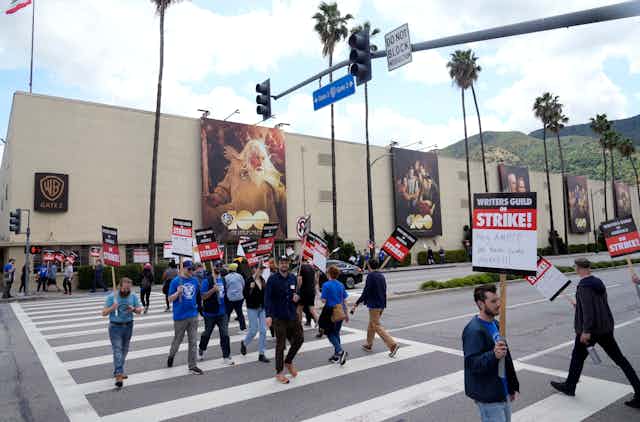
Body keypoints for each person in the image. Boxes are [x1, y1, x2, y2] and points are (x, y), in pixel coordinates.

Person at [550, 258, 640, 409]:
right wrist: (578, 306)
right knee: (620, 360)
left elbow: (589, 311)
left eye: (576, 267)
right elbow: (596, 305)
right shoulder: (597, 282)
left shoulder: (584, 286)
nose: (576, 269)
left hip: (591, 331)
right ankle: (639, 390)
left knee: (577, 357)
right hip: (605, 328)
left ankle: (570, 386)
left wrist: (585, 331)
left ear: (579, 268)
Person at [463, 284, 519, 422]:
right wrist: (493, 355)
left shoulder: (496, 324)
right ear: (481, 304)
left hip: (501, 391)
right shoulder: (474, 330)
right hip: (488, 396)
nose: (498, 304)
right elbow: (472, 364)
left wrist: (511, 387)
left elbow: (506, 358)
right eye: (493, 301)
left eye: (498, 299)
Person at [265, 256, 304, 384]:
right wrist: (268, 315)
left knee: (299, 339)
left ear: (288, 264)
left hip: (292, 315)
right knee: (280, 345)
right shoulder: (272, 279)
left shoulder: (293, 277)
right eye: (281, 262)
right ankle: (279, 372)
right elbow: (268, 299)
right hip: (279, 316)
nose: (284, 265)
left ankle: (288, 361)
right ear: (278, 264)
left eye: (286, 262)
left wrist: (297, 296)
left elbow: (296, 295)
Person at [351, 259, 399, 357]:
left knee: (376, 325)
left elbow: (366, 291)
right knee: (372, 324)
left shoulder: (371, 276)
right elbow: (384, 290)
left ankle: (392, 344)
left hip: (374, 304)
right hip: (381, 304)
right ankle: (369, 344)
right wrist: (383, 304)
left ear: (369, 266)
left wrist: (356, 303)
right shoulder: (381, 276)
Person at [102, 277, 142, 388]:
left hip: (128, 325)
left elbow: (139, 310)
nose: (126, 290)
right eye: (125, 288)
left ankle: (118, 370)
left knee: (124, 350)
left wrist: (133, 309)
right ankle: (119, 374)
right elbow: (103, 313)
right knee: (117, 350)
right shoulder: (112, 297)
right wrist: (112, 308)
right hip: (115, 326)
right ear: (120, 286)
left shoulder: (133, 296)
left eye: (128, 288)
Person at [166, 260, 203, 375]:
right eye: (189, 269)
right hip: (180, 316)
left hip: (192, 315)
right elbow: (169, 299)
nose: (192, 271)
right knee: (178, 340)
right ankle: (171, 355)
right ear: (183, 269)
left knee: (193, 341)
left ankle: (192, 365)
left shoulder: (195, 280)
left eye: (193, 269)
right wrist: (177, 293)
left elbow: (198, 295)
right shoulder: (176, 281)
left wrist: (198, 308)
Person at [199, 266, 234, 365]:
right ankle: (202, 348)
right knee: (207, 333)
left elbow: (225, 294)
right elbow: (203, 296)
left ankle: (226, 356)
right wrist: (213, 290)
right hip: (210, 313)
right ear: (212, 267)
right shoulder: (207, 280)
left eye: (220, 265)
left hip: (222, 313)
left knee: (225, 334)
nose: (218, 267)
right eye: (216, 265)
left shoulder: (223, 279)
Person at [319, 265, 349, 365]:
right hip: (340, 311)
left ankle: (340, 351)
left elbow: (324, 300)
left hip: (330, 312)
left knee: (329, 333)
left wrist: (318, 293)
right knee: (336, 333)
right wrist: (346, 313)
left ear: (329, 274)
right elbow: (344, 300)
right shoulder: (341, 284)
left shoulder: (326, 285)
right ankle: (336, 356)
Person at [241, 265, 270, 363]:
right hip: (252, 308)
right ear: (254, 269)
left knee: (263, 331)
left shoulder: (262, 280)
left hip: (262, 308)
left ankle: (261, 354)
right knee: (253, 331)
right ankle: (244, 343)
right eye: (260, 268)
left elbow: (265, 294)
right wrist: (250, 288)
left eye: (262, 269)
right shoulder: (249, 280)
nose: (261, 270)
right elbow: (245, 295)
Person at [224, 263, 246, 331]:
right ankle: (243, 327)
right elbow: (243, 285)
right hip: (239, 298)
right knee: (239, 312)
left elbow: (225, 287)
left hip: (230, 298)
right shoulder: (240, 276)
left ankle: (225, 327)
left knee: (227, 313)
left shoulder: (226, 277)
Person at [297, 259, 319, 328]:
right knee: (311, 308)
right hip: (311, 291)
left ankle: (299, 324)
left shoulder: (301, 268)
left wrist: (297, 289)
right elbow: (315, 280)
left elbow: (299, 281)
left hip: (303, 291)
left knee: (299, 308)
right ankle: (319, 322)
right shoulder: (312, 268)